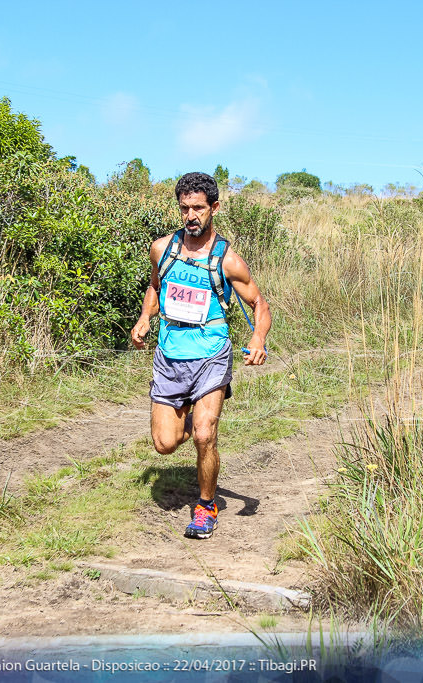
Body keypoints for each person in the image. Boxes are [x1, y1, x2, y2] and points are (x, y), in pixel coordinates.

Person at [131, 172, 271, 539]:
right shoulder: (162, 249)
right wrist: (146, 317)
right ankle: (193, 411)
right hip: (170, 356)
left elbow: (259, 303)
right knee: (164, 445)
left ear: (214, 208)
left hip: (211, 354)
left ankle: (206, 507)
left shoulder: (228, 259)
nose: (191, 215)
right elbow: (155, 286)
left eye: (198, 208)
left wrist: (258, 338)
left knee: (204, 434)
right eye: (184, 208)